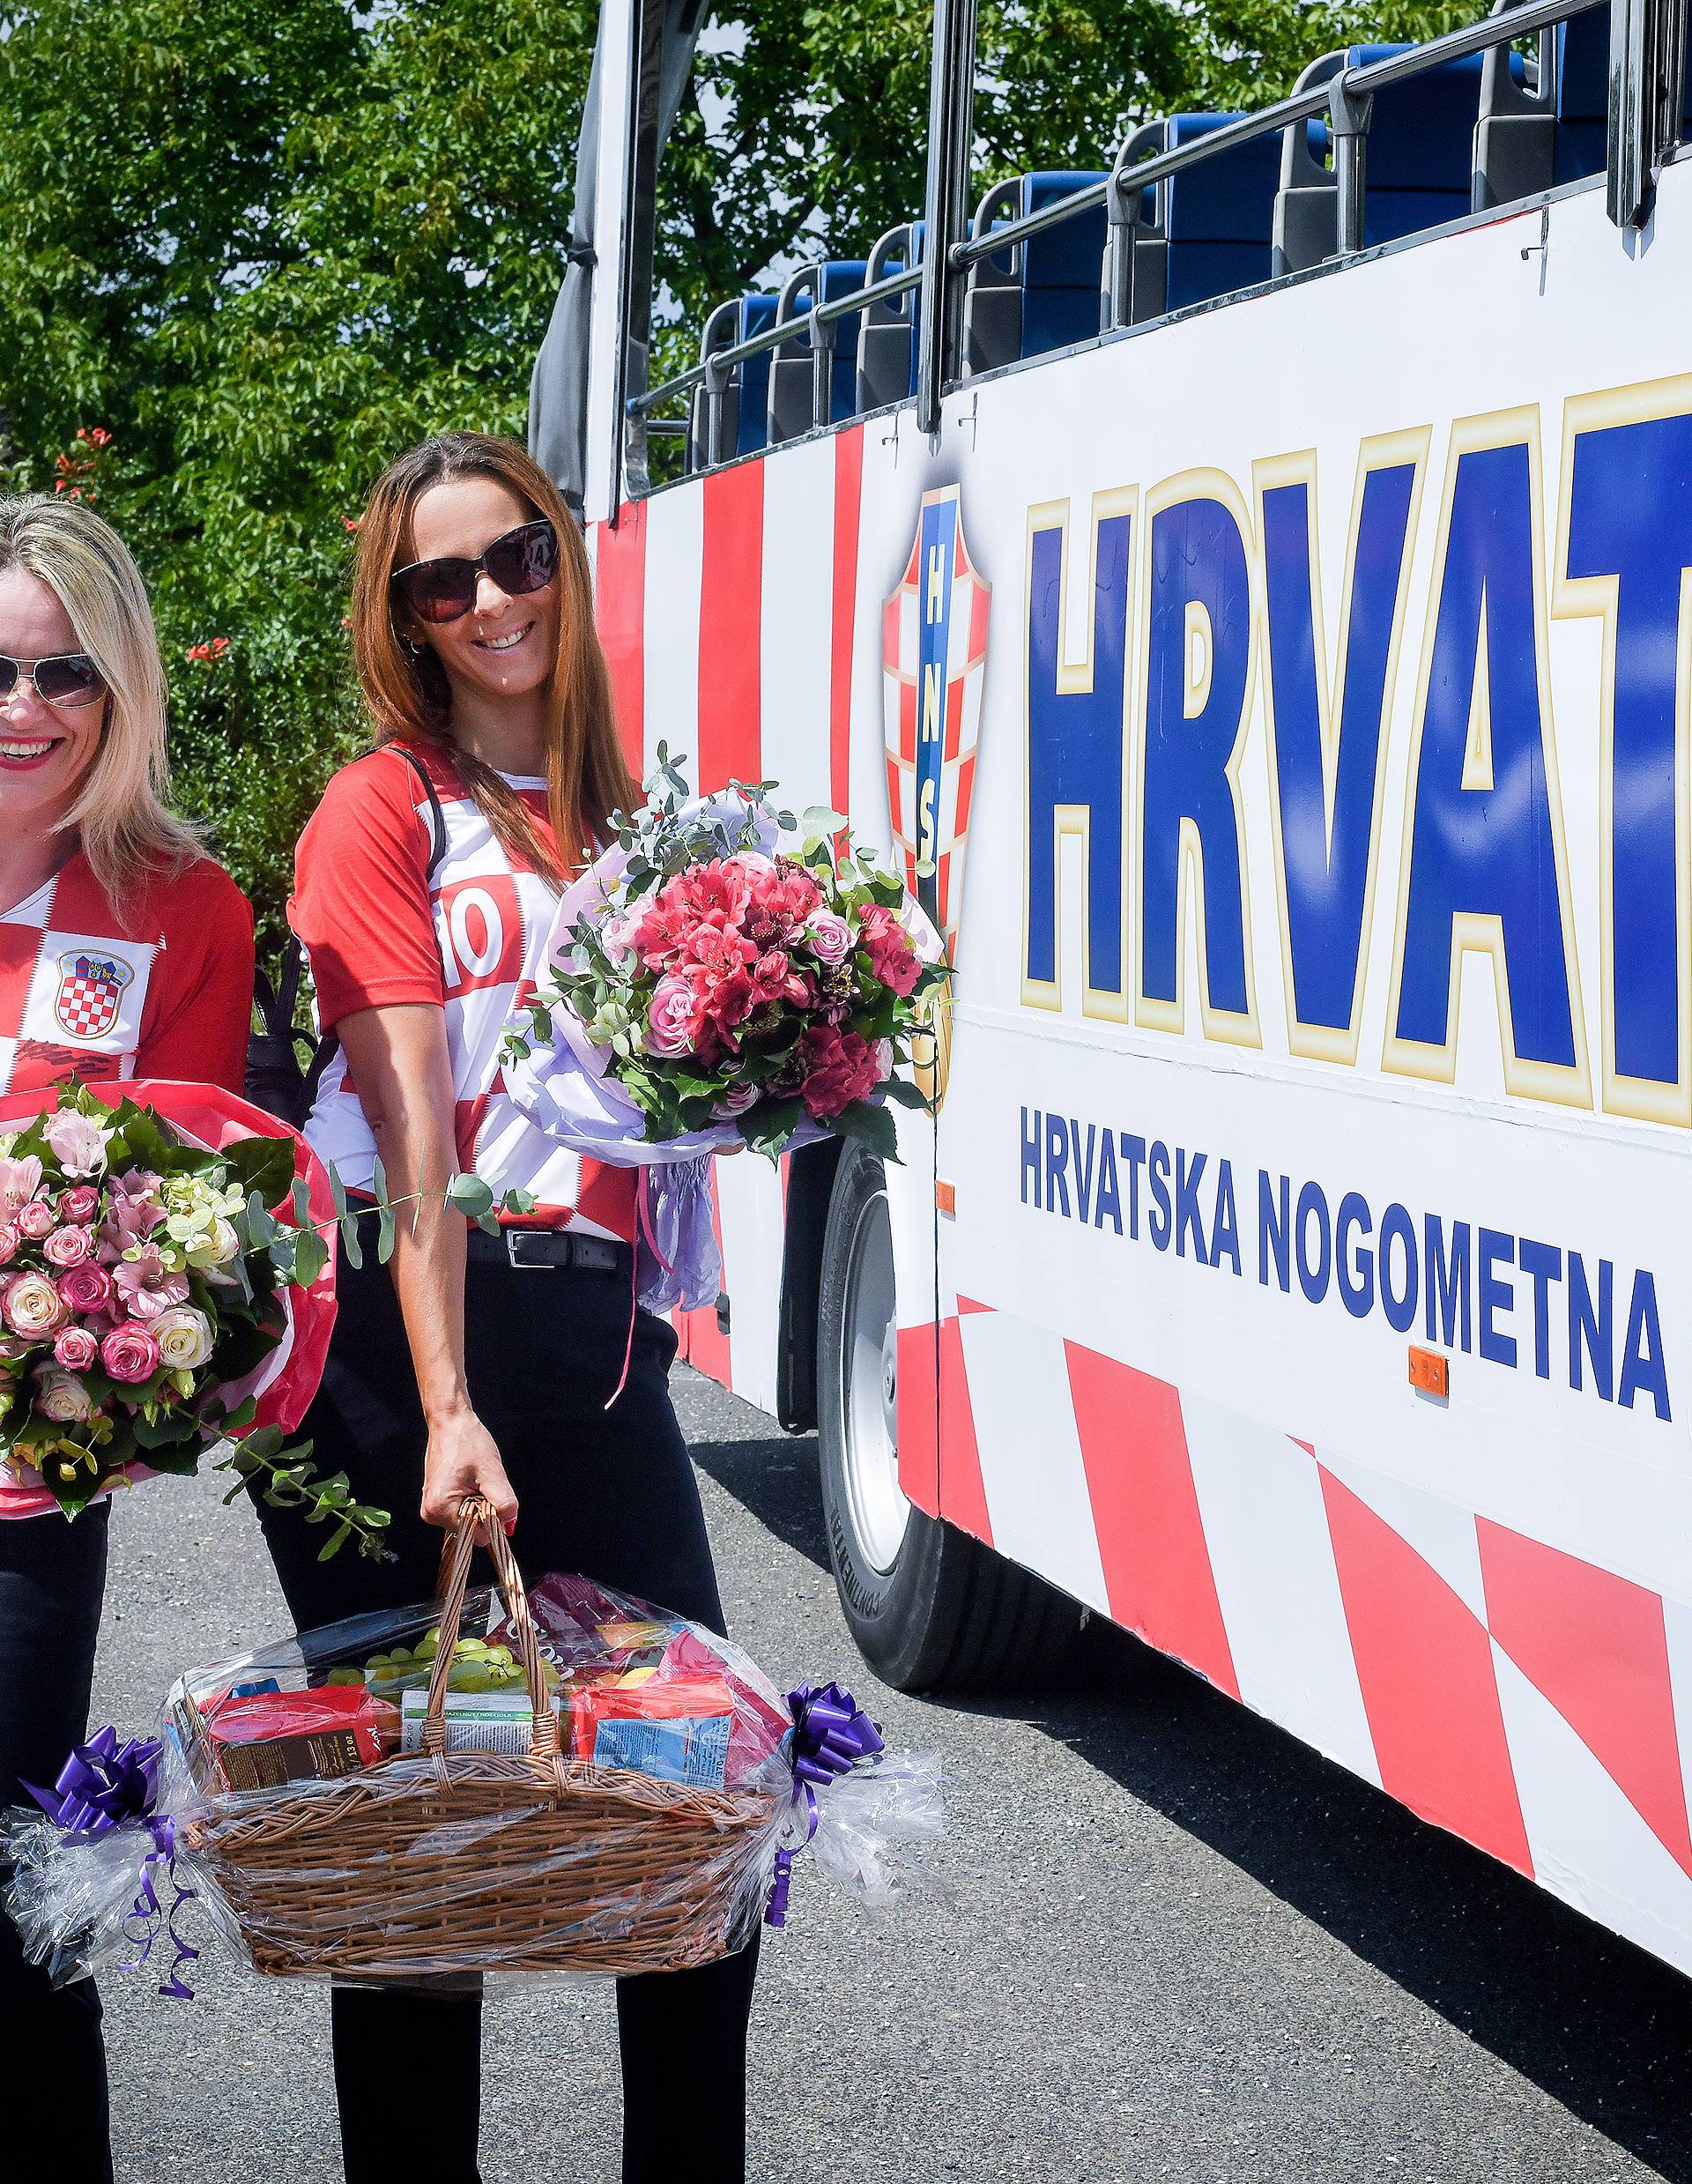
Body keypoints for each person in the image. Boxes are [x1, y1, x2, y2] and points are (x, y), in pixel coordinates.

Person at [263, 431, 759, 2184]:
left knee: (691, 1800)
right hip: (400, 1354)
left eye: (517, 558)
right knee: (423, 1846)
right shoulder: (377, 809)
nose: (491, 603)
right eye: (441, 582)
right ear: (399, 617)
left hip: (591, 1329)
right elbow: (412, 1142)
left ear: (566, 557)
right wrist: (451, 1400)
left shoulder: (621, 815)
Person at [0, 494, 256, 2182]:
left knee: (21, 1902)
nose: (22, 705)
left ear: (122, 689)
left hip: (20, 1485)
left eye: (63, 672)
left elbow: (196, 1226)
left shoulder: (179, 909)